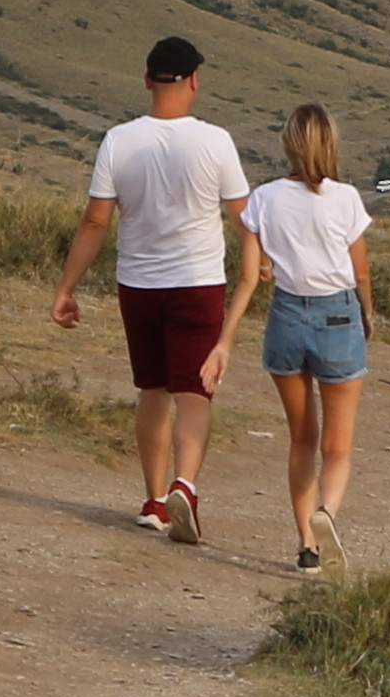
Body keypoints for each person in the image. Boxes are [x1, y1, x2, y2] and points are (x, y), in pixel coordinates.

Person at [50, 34, 255, 542]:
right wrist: (265, 261)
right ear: (193, 81)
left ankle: (154, 500)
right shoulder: (215, 141)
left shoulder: (119, 140)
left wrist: (66, 287)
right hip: (198, 281)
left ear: (147, 80)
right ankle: (185, 483)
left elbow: (96, 220)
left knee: (152, 390)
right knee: (195, 392)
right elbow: (244, 217)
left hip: (138, 284)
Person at [243, 103, 387, 570]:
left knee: (302, 439)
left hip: (286, 315)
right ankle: (327, 512)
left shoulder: (263, 198)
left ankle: (306, 544)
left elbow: (255, 268)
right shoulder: (345, 198)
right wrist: (367, 312)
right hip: (338, 316)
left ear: (288, 143)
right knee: (338, 447)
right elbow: (360, 271)